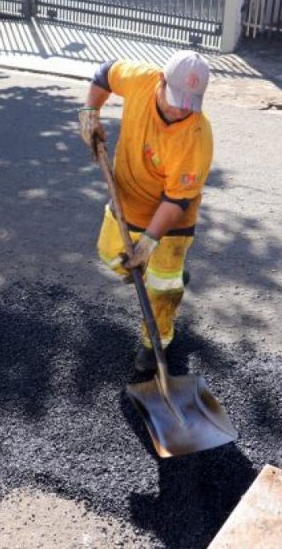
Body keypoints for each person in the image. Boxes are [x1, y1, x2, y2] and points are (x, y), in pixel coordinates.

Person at [79, 51, 213, 373]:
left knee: (162, 290)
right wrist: (89, 111)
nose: (181, 108)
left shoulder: (196, 137)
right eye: (176, 97)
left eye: (189, 102)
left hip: (173, 221)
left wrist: (150, 242)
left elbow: (176, 201)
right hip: (126, 200)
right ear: (161, 81)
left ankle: (156, 345)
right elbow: (104, 74)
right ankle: (163, 273)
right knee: (111, 255)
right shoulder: (140, 79)